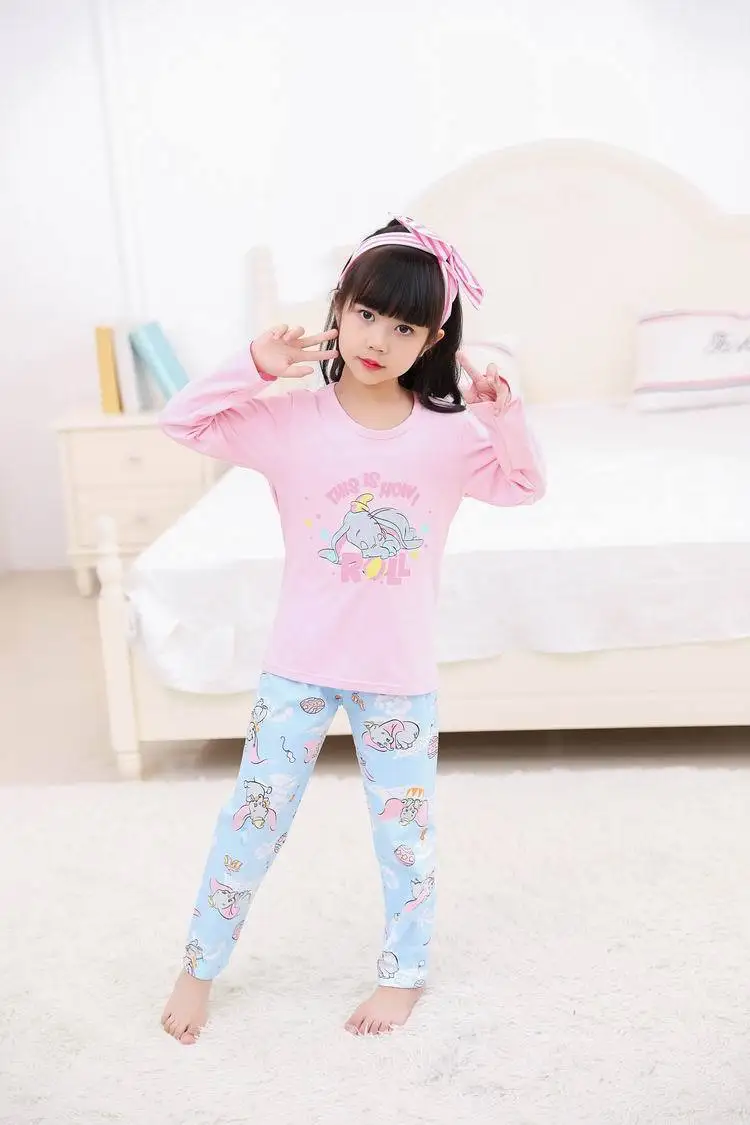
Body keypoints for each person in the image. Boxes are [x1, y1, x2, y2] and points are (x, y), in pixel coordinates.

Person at [158, 216, 545, 1043]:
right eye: (367, 314)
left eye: (405, 327)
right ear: (339, 307)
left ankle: (403, 974)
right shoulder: (289, 419)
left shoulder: (449, 436)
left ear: (432, 340)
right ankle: (198, 964)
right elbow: (181, 424)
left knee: (405, 835)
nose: (378, 338)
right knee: (252, 820)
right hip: (298, 664)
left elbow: (523, 484)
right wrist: (253, 365)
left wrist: (503, 415)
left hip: (398, 674)